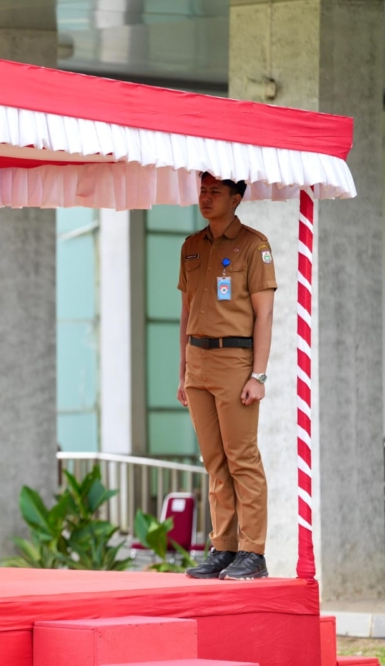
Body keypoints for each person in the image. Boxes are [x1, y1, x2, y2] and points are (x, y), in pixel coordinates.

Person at [178, 172, 276, 581]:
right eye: (203, 191)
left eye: (215, 192)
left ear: (236, 199)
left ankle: (253, 552)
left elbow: (264, 315)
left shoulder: (254, 246)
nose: (206, 198)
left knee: (242, 458)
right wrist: (182, 371)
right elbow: (185, 313)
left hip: (235, 361)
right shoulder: (191, 246)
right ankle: (224, 546)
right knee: (214, 461)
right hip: (197, 360)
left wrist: (259, 375)